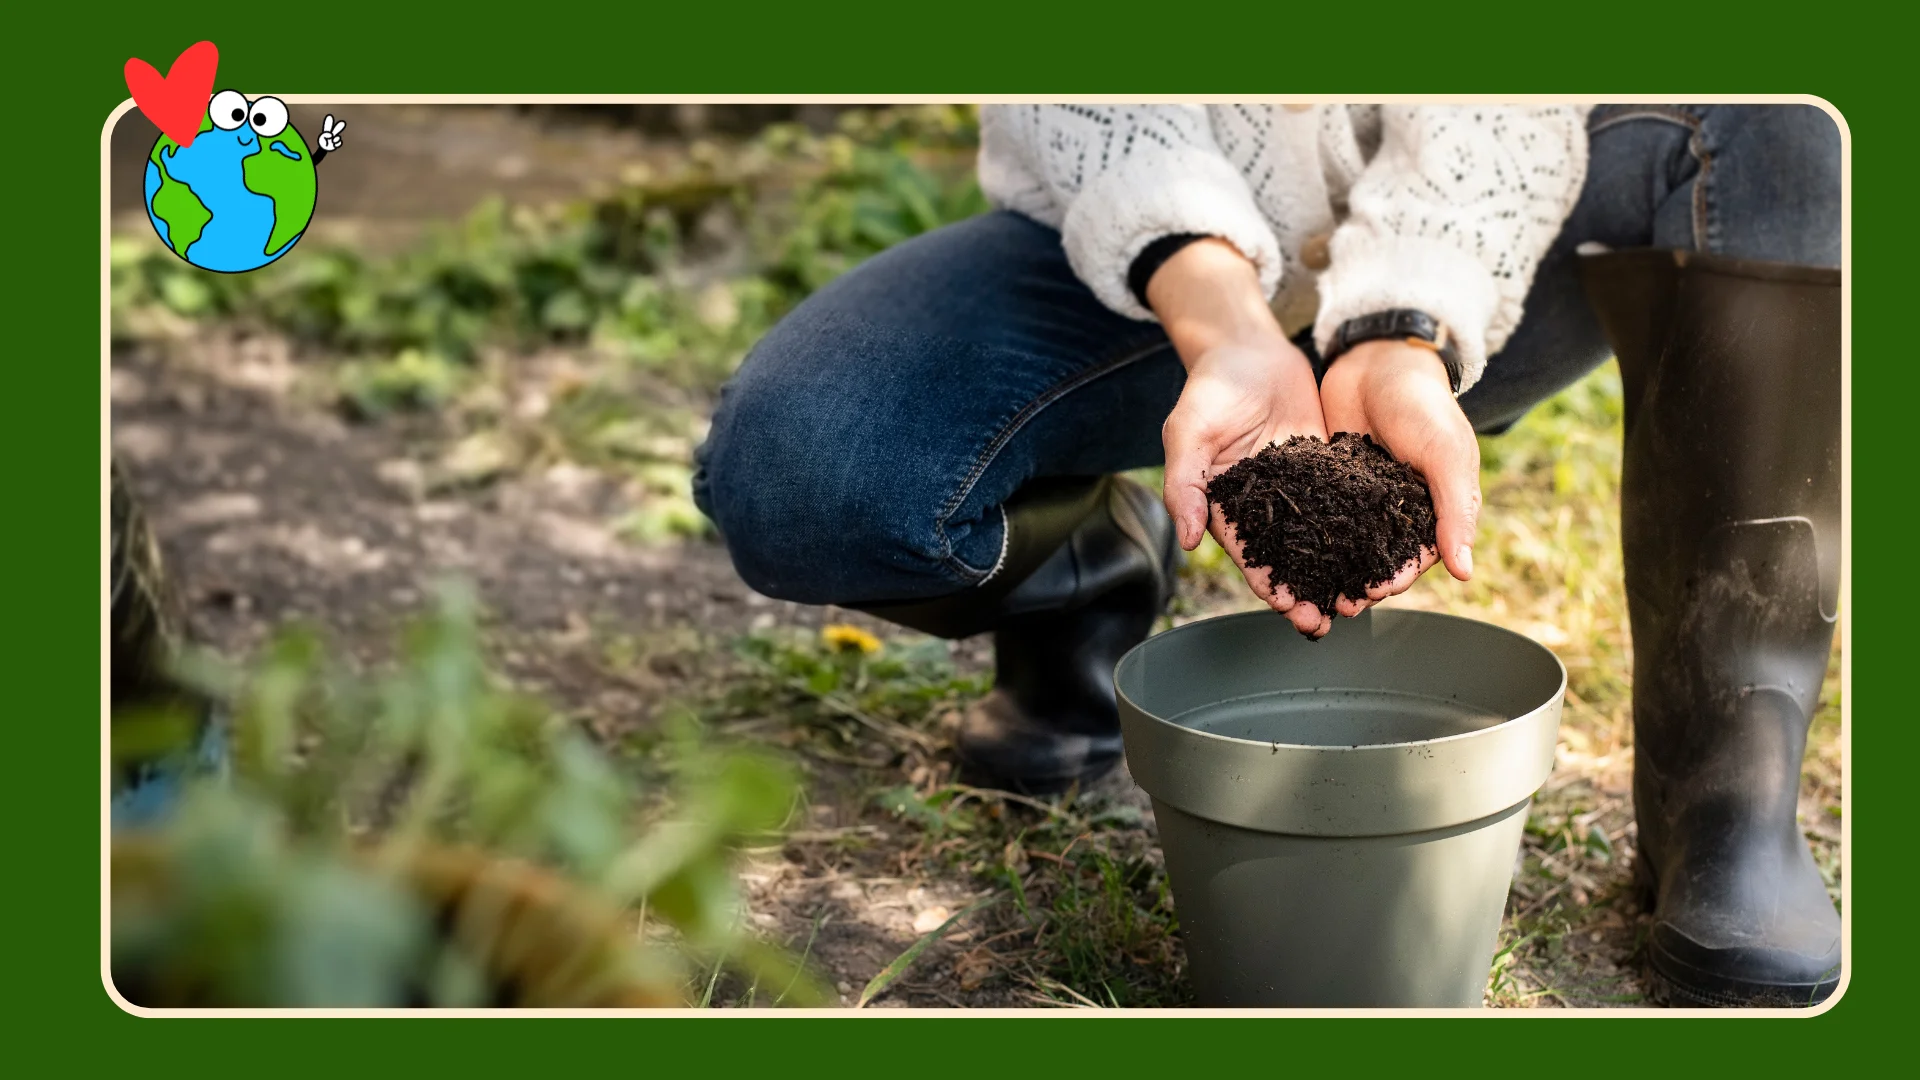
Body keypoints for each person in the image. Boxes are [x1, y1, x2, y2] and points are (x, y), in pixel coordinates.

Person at [692, 104, 1842, 1006]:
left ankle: (1728, 803)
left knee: (1780, 114)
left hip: (1476, 249)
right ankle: (1091, 566)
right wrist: (1223, 317)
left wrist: (1403, 333)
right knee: (803, 471)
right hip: (1135, 270)